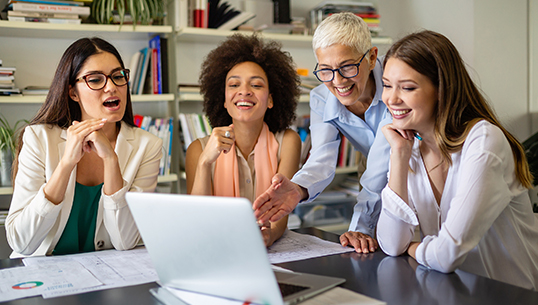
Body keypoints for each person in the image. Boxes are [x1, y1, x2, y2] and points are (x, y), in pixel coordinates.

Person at [377, 30, 538, 290]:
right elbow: (392, 244)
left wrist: (415, 248)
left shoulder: (483, 141)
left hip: (511, 297)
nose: (391, 99)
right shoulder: (410, 147)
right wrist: (399, 155)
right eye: (386, 85)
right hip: (454, 293)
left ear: (441, 89)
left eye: (407, 87)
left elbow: (446, 254)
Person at [6, 37, 163, 258]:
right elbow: (21, 242)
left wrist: (111, 160)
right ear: (72, 93)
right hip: (43, 278)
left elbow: (124, 240)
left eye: (118, 77)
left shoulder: (148, 146)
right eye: (96, 80)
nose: (111, 87)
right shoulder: (38, 138)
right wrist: (66, 164)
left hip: (106, 278)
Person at [253, 12, 391, 253]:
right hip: (370, 167)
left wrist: (361, 226)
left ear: (371, 57)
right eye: (326, 70)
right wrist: (297, 189)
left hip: (416, 163)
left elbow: (382, 161)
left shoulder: (394, 84)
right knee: (377, 249)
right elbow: (321, 158)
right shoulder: (321, 97)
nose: (337, 81)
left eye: (347, 67)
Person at [185, 34, 302, 247]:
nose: (244, 91)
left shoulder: (288, 142)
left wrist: (268, 237)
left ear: (271, 100)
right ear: (223, 99)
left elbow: (279, 218)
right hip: (217, 249)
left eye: (256, 85)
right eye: (234, 85)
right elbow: (195, 222)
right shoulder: (198, 149)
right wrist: (204, 163)